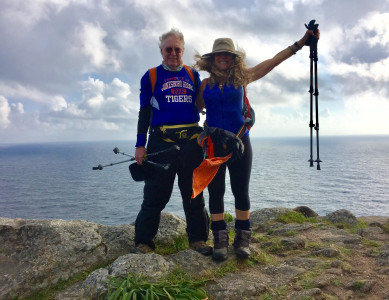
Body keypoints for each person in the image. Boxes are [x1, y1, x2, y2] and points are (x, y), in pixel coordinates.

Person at [194, 28, 320, 261]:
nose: (223, 58)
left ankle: (242, 240)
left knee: (241, 191)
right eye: (218, 55)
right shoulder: (203, 85)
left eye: (227, 55)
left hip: (240, 142)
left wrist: (302, 43)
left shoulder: (242, 79)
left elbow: (272, 62)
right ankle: (220, 240)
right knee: (216, 192)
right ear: (211, 59)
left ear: (234, 59)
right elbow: (193, 108)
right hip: (213, 146)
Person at [132, 28, 212, 255]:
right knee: (155, 196)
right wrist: (140, 145)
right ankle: (143, 242)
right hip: (161, 143)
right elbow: (144, 112)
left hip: (191, 144)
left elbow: (202, 104)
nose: (173, 53)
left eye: (177, 49)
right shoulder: (151, 76)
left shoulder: (192, 74)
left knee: (194, 195)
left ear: (183, 50)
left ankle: (197, 240)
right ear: (161, 51)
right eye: (169, 49)